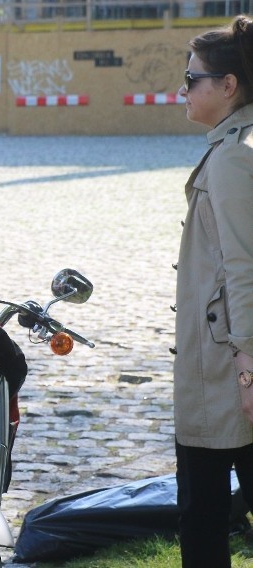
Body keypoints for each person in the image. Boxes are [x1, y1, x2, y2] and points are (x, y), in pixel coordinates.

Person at [174, 15, 253, 568]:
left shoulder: (234, 156)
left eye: (192, 78)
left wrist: (248, 369)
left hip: (225, 368)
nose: (184, 88)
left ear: (227, 85)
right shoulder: (236, 144)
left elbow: (243, 266)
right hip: (228, 360)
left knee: (201, 517)